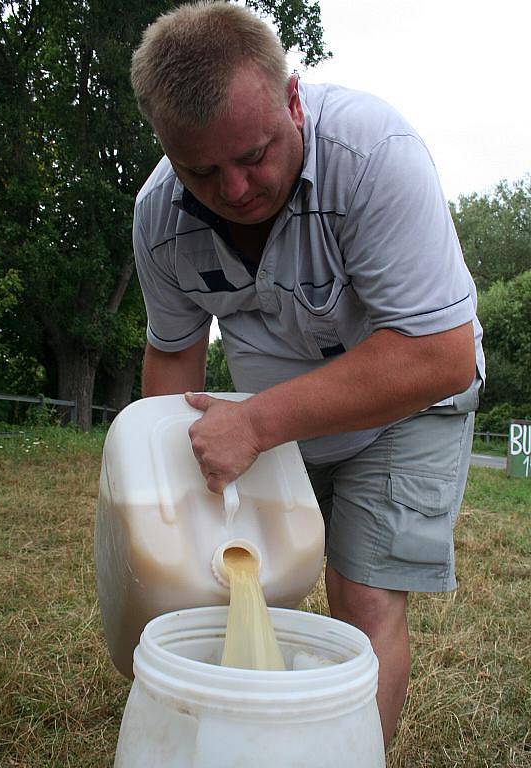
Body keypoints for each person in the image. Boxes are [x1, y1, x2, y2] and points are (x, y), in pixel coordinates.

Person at [130, 0, 484, 747]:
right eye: (201, 169)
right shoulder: (158, 218)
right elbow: (172, 351)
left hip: (406, 406)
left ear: (293, 98)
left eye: (254, 154)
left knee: (360, 596)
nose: (233, 190)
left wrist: (256, 423)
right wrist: (158, 491)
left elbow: (438, 352)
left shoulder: (373, 153)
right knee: (238, 586)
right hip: (275, 426)